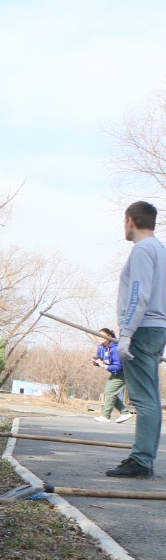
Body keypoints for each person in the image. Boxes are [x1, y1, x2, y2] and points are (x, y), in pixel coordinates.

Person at [107, 201, 166, 478]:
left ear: (130, 220)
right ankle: (144, 458)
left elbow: (138, 294)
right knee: (151, 397)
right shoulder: (160, 250)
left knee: (143, 399)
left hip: (142, 329)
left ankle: (142, 460)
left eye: (123, 221)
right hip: (155, 329)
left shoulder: (143, 250)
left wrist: (126, 334)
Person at [91, 328, 132, 423]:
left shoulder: (115, 348)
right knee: (109, 392)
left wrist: (104, 366)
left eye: (102, 335)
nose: (99, 338)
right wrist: (96, 362)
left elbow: (118, 366)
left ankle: (106, 416)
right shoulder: (101, 347)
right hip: (115, 372)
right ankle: (124, 412)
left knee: (110, 391)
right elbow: (101, 360)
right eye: (98, 335)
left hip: (124, 372)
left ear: (109, 336)